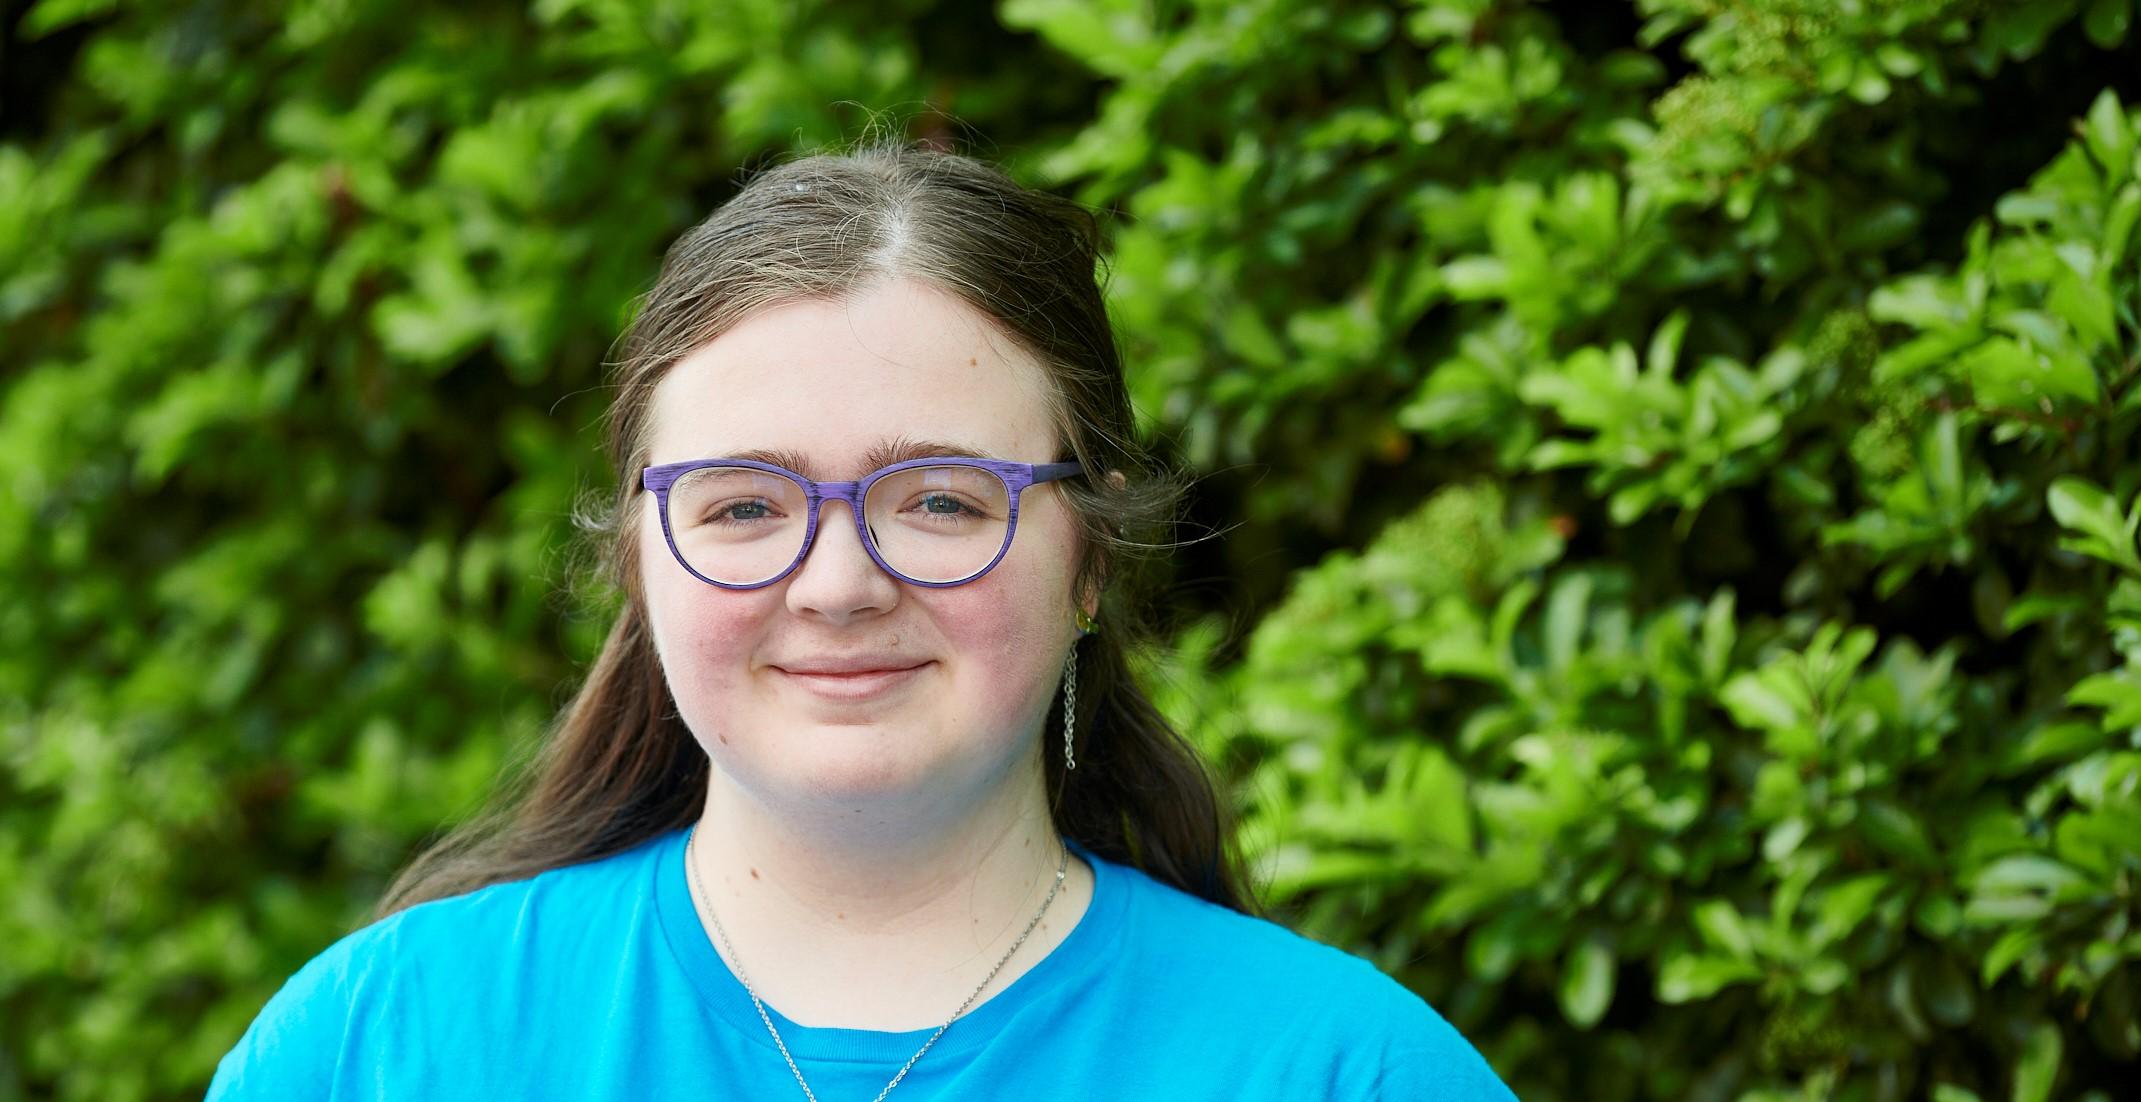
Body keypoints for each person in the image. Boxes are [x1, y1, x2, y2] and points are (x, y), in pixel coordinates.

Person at [206, 141, 1517, 1101]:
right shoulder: (375, 1047)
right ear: (640, 561)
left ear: (1090, 562)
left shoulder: (1345, 1071)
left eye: (941, 499)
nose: (836, 583)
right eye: (742, 507)